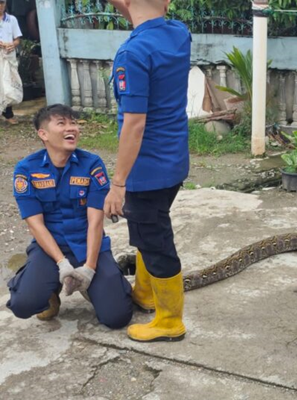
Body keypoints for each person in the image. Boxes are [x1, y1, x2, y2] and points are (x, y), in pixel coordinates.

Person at [104, 0, 191, 342]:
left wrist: (118, 183)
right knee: (146, 232)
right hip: (174, 162)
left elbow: (134, 124)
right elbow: (143, 17)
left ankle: (170, 320)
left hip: (146, 169)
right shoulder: (178, 34)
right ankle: (144, 293)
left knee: (155, 242)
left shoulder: (132, 54)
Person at [6, 104, 133, 329]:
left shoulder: (91, 164)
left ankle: (90, 285)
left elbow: (95, 222)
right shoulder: (26, 170)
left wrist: (90, 268)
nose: (71, 128)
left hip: (89, 246)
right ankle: (50, 291)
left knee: (117, 317)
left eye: (73, 123)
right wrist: (61, 263)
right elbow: (36, 225)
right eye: (62, 123)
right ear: (43, 134)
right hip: (49, 249)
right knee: (23, 304)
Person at [0, 0, 23, 125]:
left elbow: (17, 39)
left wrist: (11, 45)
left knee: (8, 85)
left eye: (2, 3)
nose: (0, 6)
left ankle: (8, 114)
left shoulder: (12, 19)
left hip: (8, 57)